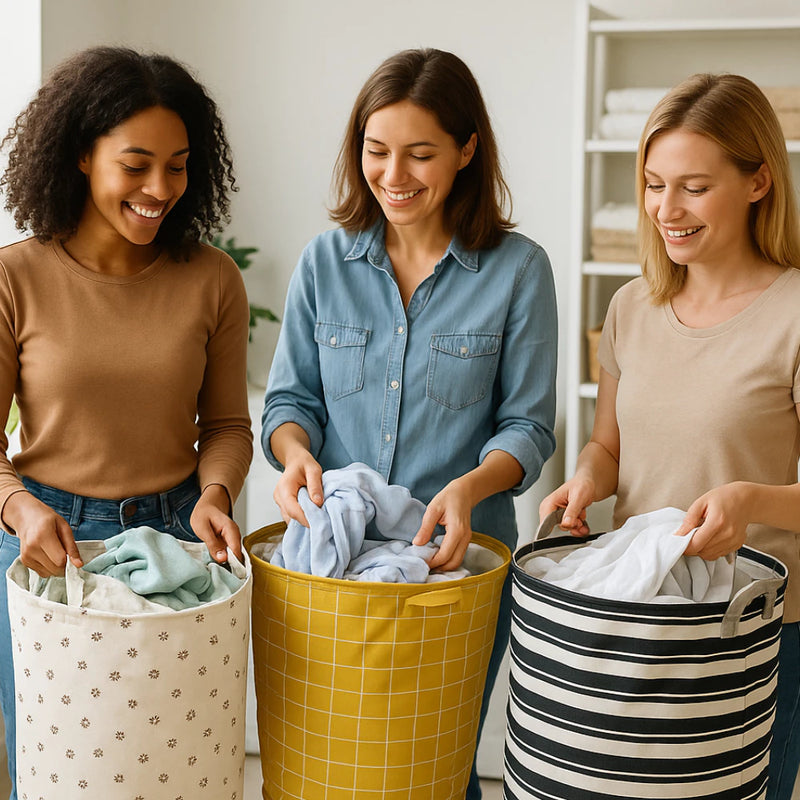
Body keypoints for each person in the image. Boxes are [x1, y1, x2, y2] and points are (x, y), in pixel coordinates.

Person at [262, 48, 557, 798]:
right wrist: (294, 456)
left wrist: (469, 486)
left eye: (420, 154)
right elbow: (289, 405)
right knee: (329, 769)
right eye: (376, 151)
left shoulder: (518, 270)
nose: (394, 175)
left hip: (453, 573)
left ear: (466, 149)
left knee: (433, 770)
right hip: (334, 576)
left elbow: (527, 425)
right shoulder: (323, 264)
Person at [0, 46, 253, 798]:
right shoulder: (16, 278)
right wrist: (19, 507)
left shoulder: (213, 279)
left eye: (177, 166)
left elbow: (230, 426)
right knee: (58, 772)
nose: (159, 189)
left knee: (183, 772)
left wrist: (215, 497)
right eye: (136, 165)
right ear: (81, 154)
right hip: (49, 544)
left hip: (177, 543)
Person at [540, 73, 800, 800]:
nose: (666, 210)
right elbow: (609, 448)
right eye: (654, 185)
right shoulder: (630, 308)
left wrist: (747, 501)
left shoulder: (793, 314)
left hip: (751, 631)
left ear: (758, 183)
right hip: (638, 620)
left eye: (693, 186)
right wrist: (588, 478)